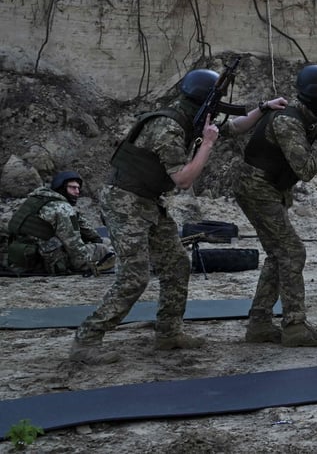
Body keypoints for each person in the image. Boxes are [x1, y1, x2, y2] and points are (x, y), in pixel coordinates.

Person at [69, 67, 287, 364]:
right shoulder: (169, 127)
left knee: (176, 263)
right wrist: (207, 144)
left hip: (146, 200)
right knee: (134, 276)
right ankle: (87, 340)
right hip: (125, 200)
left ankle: (169, 333)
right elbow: (183, 180)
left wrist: (262, 109)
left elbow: (233, 126)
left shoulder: (189, 117)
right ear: (203, 101)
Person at [237, 64, 317, 347]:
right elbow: (306, 168)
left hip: (267, 187)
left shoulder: (307, 115)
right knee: (293, 252)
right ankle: (295, 325)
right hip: (258, 188)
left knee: (278, 254)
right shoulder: (288, 121)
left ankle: (259, 323)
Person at [6, 171, 115, 276]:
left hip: (23, 254)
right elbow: (74, 244)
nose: (77, 191)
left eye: (78, 188)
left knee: (104, 242)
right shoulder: (64, 209)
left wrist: (96, 239)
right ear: (61, 187)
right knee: (104, 248)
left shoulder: (36, 201)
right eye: (72, 187)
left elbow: (82, 227)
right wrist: (87, 261)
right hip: (48, 260)